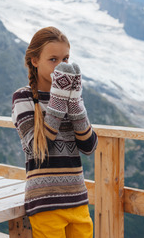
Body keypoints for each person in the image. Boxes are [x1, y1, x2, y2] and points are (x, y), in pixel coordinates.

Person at [11, 26, 98, 237]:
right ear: (35, 61)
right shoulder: (22, 98)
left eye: (65, 59)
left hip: (77, 199)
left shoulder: (70, 97)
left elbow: (89, 146)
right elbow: (35, 149)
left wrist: (75, 103)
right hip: (45, 202)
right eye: (53, 60)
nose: (61, 66)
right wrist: (58, 100)